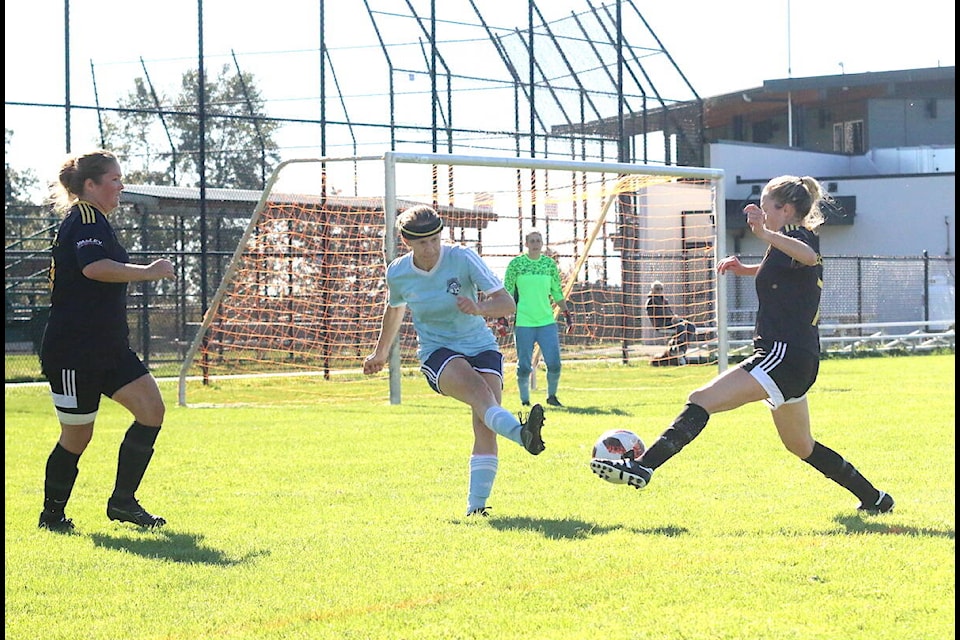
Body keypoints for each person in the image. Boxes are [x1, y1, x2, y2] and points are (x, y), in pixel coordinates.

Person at [591, 175, 895, 514]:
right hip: (799, 358)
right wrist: (746, 268)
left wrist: (764, 234)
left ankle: (644, 466)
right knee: (801, 445)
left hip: (782, 354)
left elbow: (808, 258)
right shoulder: (784, 243)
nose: (761, 213)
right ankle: (875, 498)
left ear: (786, 209)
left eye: (766, 207)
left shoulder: (797, 237)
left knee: (700, 400)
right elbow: (787, 272)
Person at [363, 205, 547, 517]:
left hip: (481, 346)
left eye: (435, 239)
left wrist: (479, 308)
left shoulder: (462, 257)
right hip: (438, 351)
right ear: (406, 242)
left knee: (485, 423)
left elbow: (506, 303)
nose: (431, 248)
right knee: (478, 392)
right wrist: (381, 353)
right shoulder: (398, 272)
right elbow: (394, 310)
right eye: (422, 243)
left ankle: (476, 510)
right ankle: (521, 434)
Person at [37, 150, 176, 532]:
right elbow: (94, 267)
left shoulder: (97, 221)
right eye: (114, 179)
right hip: (73, 351)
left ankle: (123, 503)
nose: (121, 185)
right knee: (78, 434)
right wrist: (148, 272)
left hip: (109, 347)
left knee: (151, 410)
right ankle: (52, 516)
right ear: (90, 185)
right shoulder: (84, 218)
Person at [502, 230, 573, 407]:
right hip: (524, 322)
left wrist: (566, 313)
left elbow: (556, 291)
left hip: (546, 322)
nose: (535, 243)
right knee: (525, 366)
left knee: (555, 363)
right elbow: (508, 291)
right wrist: (502, 316)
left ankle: (552, 396)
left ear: (542, 244)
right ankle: (525, 400)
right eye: (532, 241)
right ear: (526, 244)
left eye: (538, 241)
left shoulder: (549, 265)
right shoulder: (516, 264)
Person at [645, 280, 697, 366]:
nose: (659, 291)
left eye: (661, 289)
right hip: (661, 323)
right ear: (652, 290)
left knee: (691, 326)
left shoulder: (664, 300)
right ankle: (674, 348)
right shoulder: (651, 301)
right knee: (681, 327)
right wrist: (672, 318)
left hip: (670, 321)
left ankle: (682, 349)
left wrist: (676, 317)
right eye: (657, 289)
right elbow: (658, 315)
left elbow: (670, 313)